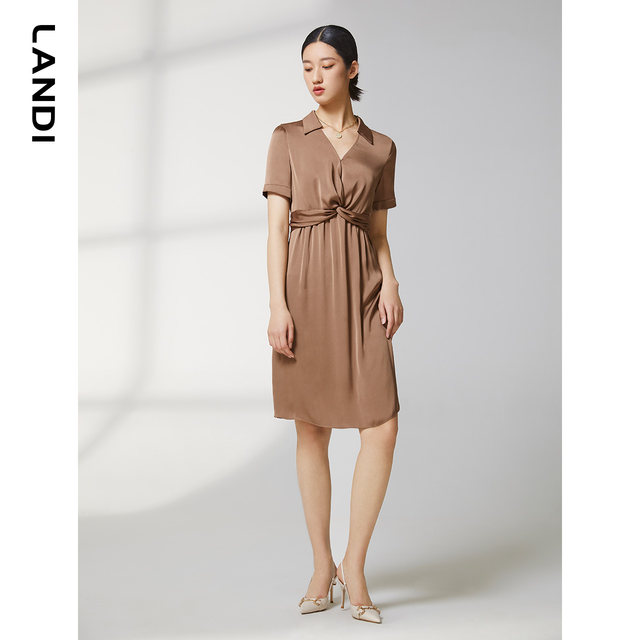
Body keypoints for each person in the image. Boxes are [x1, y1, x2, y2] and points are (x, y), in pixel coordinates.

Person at [262, 25, 403, 624]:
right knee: (312, 429)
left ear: (352, 69)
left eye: (325, 65)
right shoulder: (287, 138)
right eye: (306, 67)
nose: (315, 76)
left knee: (382, 428)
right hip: (306, 293)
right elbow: (276, 229)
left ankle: (355, 565)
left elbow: (378, 232)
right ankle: (322, 565)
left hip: (364, 292)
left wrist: (391, 282)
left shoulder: (381, 147)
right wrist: (278, 305)